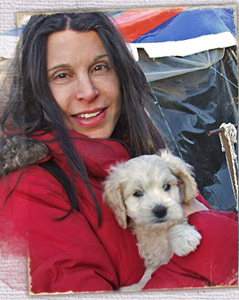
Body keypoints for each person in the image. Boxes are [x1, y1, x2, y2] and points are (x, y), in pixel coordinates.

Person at [0, 11, 237, 294]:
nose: (87, 92)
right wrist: (215, 242)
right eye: (62, 75)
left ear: (121, 74)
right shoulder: (27, 189)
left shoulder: (141, 152)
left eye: (100, 67)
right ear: (36, 90)